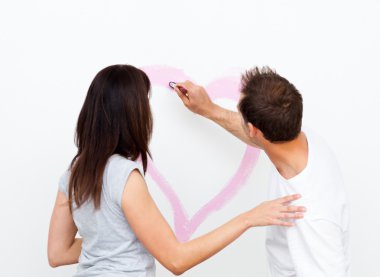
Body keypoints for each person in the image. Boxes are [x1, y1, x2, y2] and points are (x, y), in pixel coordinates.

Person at [47, 64, 306, 277]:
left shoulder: (74, 173)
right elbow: (176, 260)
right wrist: (249, 217)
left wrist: (112, 245)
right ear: (132, 113)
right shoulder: (125, 176)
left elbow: (58, 252)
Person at [174, 67, 350, 277]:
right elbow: (259, 137)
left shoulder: (313, 215)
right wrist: (208, 108)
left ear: (254, 129)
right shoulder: (296, 137)